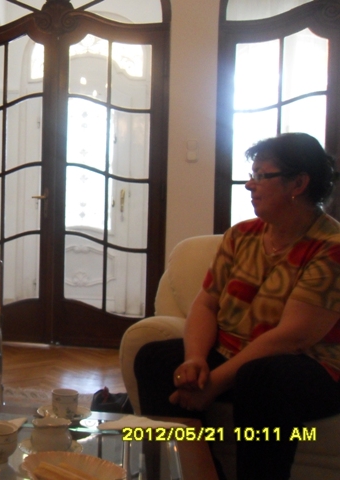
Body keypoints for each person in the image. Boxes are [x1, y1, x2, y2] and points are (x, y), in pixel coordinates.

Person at [134, 133, 340, 480]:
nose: (249, 185)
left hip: (311, 367)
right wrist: (195, 360)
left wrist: (215, 382)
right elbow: (206, 304)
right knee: (154, 359)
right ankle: (196, 473)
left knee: (262, 378)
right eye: (251, 175)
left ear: (299, 184)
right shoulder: (241, 235)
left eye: (261, 175)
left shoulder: (330, 247)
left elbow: (291, 338)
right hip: (234, 353)